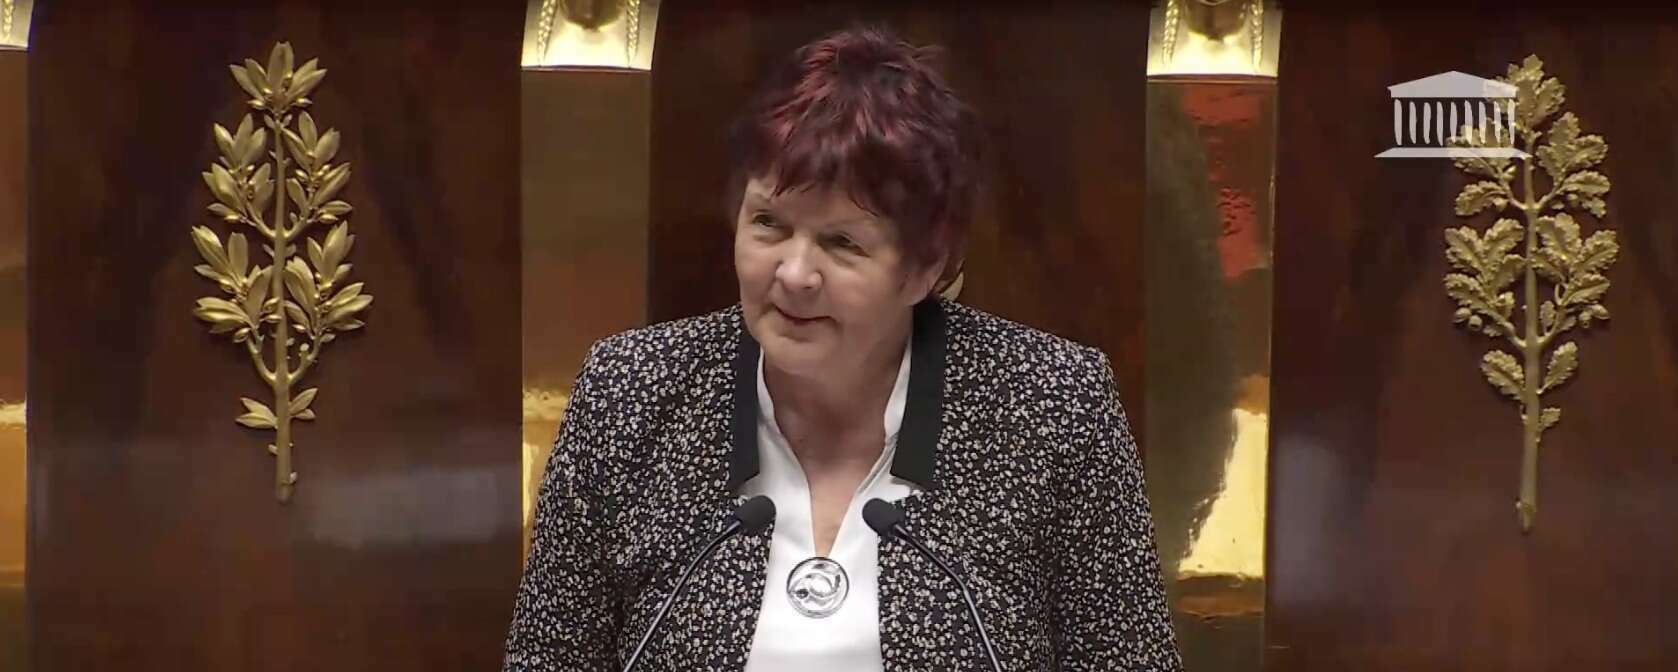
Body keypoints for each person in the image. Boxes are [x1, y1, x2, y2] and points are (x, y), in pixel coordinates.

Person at [504, 25, 1182, 672]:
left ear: (925, 269)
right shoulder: (630, 392)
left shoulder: (1052, 406)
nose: (795, 274)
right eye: (769, 224)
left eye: (842, 243)